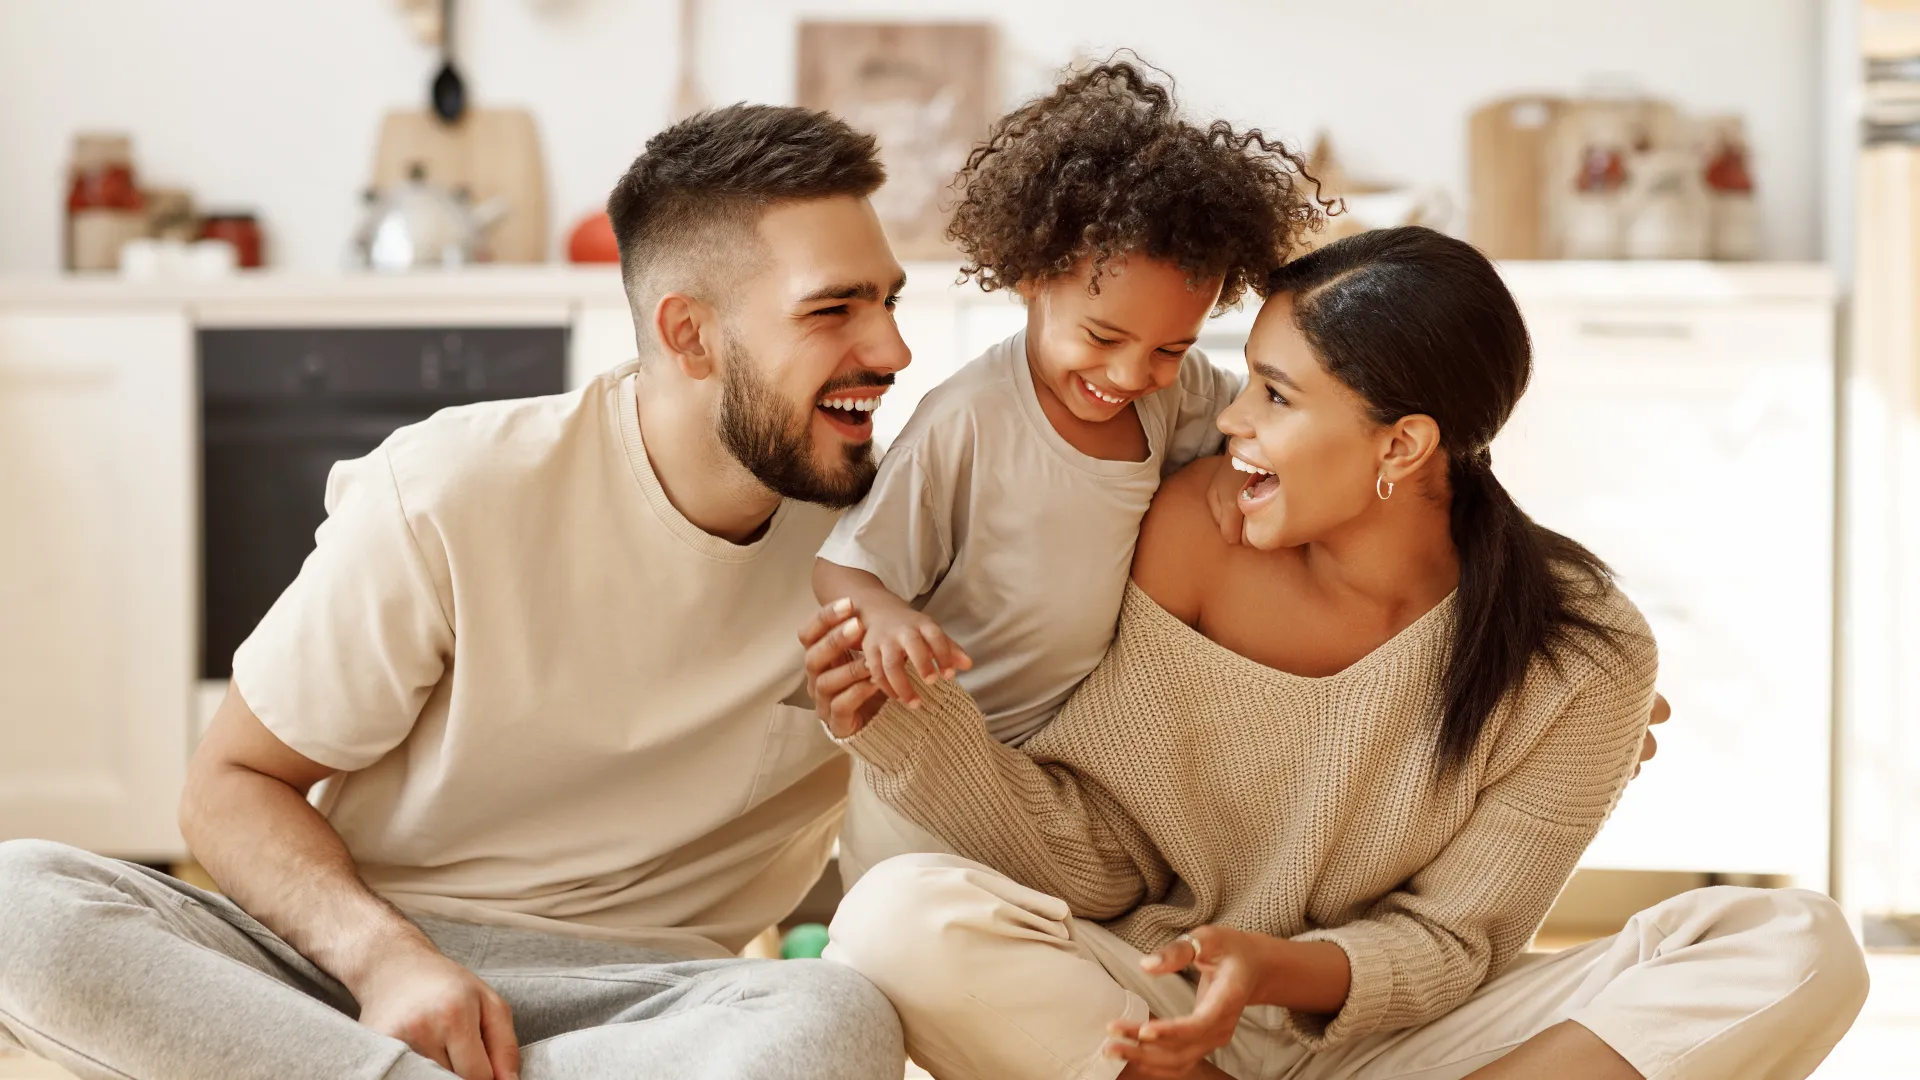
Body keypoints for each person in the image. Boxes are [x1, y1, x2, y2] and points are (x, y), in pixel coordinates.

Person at [803, 227, 1870, 1080]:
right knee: (899, 920)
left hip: (1401, 1041)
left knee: (1792, 944)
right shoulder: (1197, 531)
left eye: (1275, 394)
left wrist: (1279, 966)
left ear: (1400, 447)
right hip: (1162, 1003)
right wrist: (909, 726)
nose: (1231, 425)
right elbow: (1103, 852)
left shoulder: (1581, 654)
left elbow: (1459, 946)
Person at [0, 105, 911, 1080]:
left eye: (890, 302)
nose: (892, 350)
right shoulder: (454, 489)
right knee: (22, 901)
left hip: (658, 1003)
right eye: (834, 309)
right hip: (360, 980)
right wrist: (388, 961)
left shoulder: (901, 541)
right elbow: (228, 788)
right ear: (688, 333)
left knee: (833, 1016)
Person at [815, 61, 1324, 884]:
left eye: (1170, 347)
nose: (1130, 374)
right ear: (1031, 275)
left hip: (1057, 776)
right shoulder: (969, 419)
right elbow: (844, 564)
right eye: (1102, 336)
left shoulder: (1175, 395)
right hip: (930, 783)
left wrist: (1258, 468)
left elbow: (1248, 430)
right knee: (914, 953)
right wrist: (878, 613)